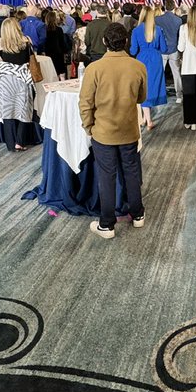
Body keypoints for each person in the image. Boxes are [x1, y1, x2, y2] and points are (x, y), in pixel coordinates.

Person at [79, 23, 147, 240]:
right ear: (126, 42)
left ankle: (106, 225)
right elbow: (141, 98)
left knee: (106, 178)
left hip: (103, 132)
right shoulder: (138, 66)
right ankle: (138, 214)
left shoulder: (94, 69)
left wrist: (88, 126)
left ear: (104, 42)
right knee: (132, 173)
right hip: (128, 130)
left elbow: (85, 103)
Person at [0, 17, 36, 151]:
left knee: (7, 112)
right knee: (24, 111)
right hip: (22, 79)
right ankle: (20, 141)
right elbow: (31, 57)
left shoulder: (1, 42)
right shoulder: (26, 40)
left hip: (5, 79)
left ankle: (11, 144)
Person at [129, 5, 168, 130]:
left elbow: (133, 50)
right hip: (156, 60)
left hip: (142, 60)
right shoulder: (158, 29)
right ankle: (146, 119)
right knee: (151, 87)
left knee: (143, 88)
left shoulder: (136, 31)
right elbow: (164, 48)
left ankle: (147, 119)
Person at [156, 0, 184, 100]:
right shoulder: (178, 20)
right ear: (174, 7)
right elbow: (179, 36)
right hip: (174, 49)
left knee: (159, 73)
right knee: (176, 74)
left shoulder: (157, 19)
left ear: (165, 6)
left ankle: (159, 94)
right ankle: (179, 96)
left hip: (161, 50)